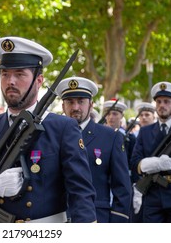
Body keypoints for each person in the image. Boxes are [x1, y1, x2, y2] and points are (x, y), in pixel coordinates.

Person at [0, 36, 97, 223]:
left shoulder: (63, 128)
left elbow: (81, 193)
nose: (10, 81)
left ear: (39, 80)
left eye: (19, 74)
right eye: (5, 74)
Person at [56, 77, 131, 222]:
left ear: (91, 105)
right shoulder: (51, 135)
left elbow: (122, 188)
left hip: (97, 217)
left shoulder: (110, 137)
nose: (75, 107)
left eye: (81, 101)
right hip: (58, 218)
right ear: (63, 106)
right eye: (70, 102)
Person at [131, 81, 171, 222]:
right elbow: (134, 162)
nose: (161, 105)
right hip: (153, 195)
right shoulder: (145, 132)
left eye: (166, 101)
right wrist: (148, 164)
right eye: (158, 102)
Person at [102, 99, 136, 168]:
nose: (111, 117)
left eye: (115, 114)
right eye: (108, 114)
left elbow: (132, 162)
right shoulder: (98, 135)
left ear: (122, 116)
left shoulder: (130, 138)